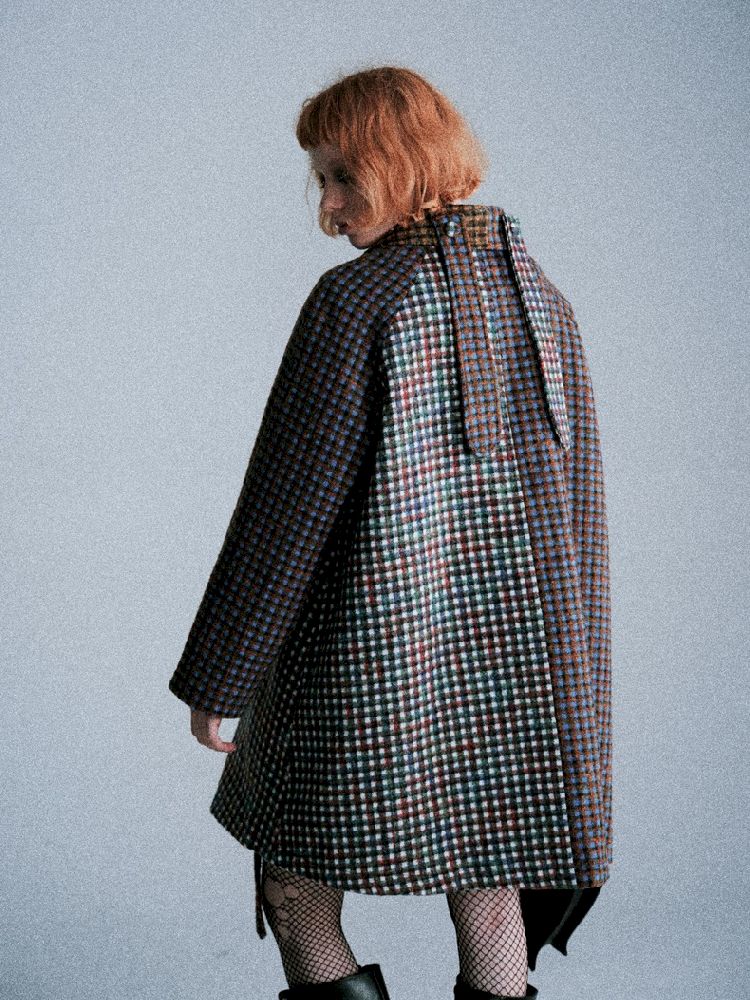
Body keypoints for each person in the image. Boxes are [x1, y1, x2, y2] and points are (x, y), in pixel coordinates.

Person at [169, 66, 612, 1000]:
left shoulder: (357, 302)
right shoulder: (545, 302)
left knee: (294, 886)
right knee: (492, 885)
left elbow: (286, 510)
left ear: (403, 163)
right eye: (321, 181)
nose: (328, 208)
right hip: (522, 675)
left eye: (344, 177)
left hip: (366, 658)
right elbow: (578, 517)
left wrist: (221, 677)